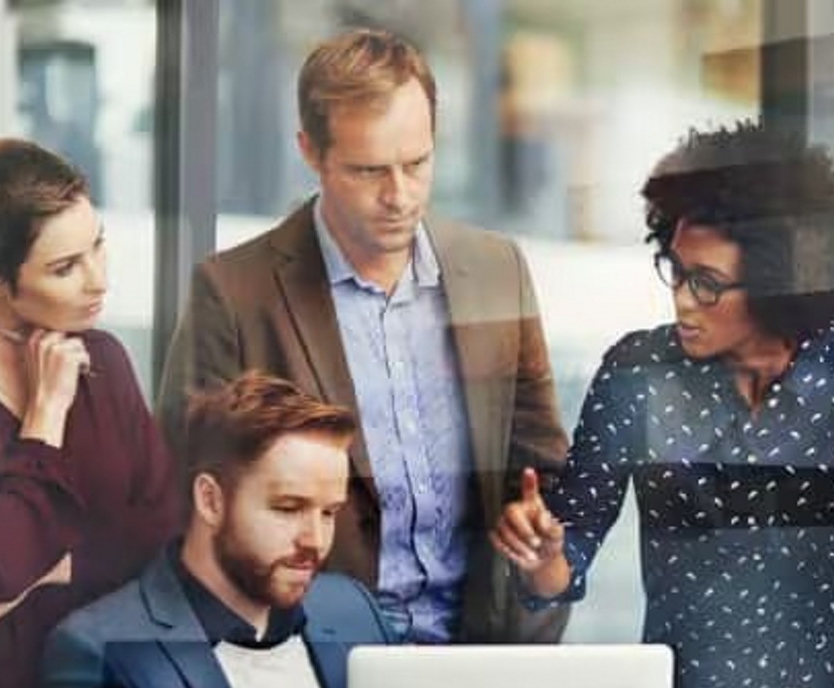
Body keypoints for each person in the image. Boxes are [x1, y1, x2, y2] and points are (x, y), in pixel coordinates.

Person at [157, 27, 570, 644]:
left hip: (478, 654)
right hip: (308, 658)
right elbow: (185, 504)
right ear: (310, 152)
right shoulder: (234, 294)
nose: (399, 196)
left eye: (417, 164)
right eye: (368, 170)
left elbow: (546, 473)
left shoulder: (495, 270)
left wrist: (541, 538)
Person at [491, 121, 834, 688]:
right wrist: (542, 553)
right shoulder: (638, 374)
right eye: (675, 270)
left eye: (706, 284)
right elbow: (566, 558)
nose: (681, 298)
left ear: (779, 285)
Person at [0, 137, 181, 688]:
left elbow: (160, 531)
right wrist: (46, 415)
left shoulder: (105, 359)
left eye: (97, 246)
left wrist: (47, 572)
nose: (98, 281)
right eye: (64, 268)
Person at [44, 372, 394, 688]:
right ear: (210, 500)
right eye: (288, 508)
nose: (315, 540)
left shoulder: (355, 610)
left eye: (329, 512)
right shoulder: (98, 650)